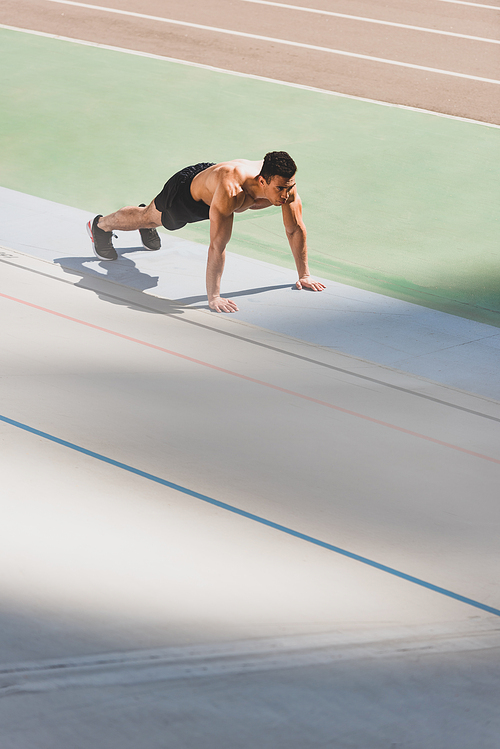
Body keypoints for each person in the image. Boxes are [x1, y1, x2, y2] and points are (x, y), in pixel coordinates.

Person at [87, 151, 325, 313]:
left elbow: (295, 229)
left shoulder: (285, 186)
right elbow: (217, 246)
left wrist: (304, 275)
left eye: (289, 187)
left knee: (151, 218)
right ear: (262, 181)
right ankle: (100, 226)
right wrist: (214, 297)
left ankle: (145, 224)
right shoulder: (232, 191)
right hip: (187, 196)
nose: (285, 195)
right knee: (148, 218)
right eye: (280, 189)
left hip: (209, 181)